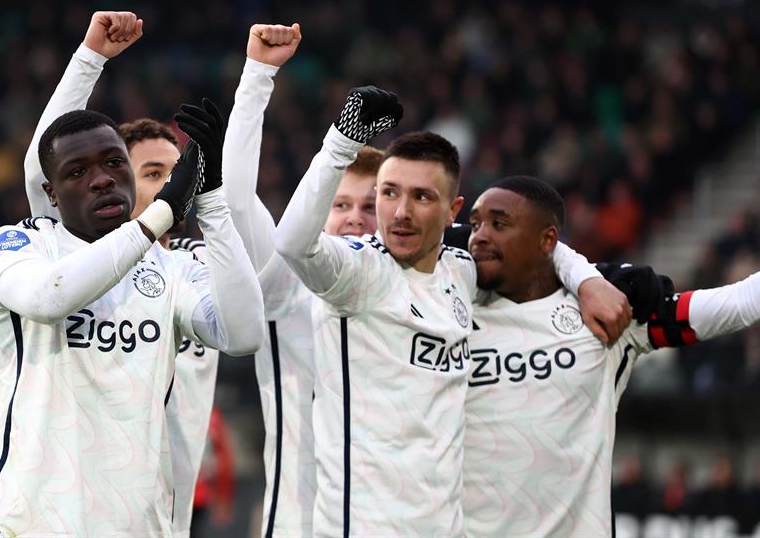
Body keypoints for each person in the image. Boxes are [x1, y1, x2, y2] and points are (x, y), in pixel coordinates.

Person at [273, 89, 628, 536]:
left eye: (421, 197)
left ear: (452, 212)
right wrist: (341, 140)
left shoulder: (460, 267)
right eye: (389, 193)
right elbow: (291, 244)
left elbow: (531, 243)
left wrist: (585, 277)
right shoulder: (356, 271)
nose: (400, 212)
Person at [0, 103, 265, 537]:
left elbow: (244, 334)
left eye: (114, 163)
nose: (103, 178)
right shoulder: (16, 246)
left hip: (135, 525)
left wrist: (212, 199)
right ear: (51, 193)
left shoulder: (172, 268)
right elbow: (48, 298)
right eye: (77, 172)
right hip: (29, 522)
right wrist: (160, 212)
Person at [461, 175, 760, 537]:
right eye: (475, 224)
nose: (479, 236)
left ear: (547, 241)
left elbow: (737, 303)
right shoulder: (445, 312)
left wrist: (585, 279)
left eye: (499, 223)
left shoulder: (609, 315)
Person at [20, 11, 219, 537]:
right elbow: (43, 166)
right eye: (151, 173)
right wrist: (89, 61)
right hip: (68, 516)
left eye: (177, 175)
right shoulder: (59, 252)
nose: (166, 188)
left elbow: (243, 326)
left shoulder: (198, 268)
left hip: (161, 518)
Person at [221, 23, 386, 536]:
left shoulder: (414, 289)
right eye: (339, 205)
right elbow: (236, 198)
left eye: (370, 205)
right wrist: (258, 76)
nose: (356, 217)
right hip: (300, 523)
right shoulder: (285, 277)